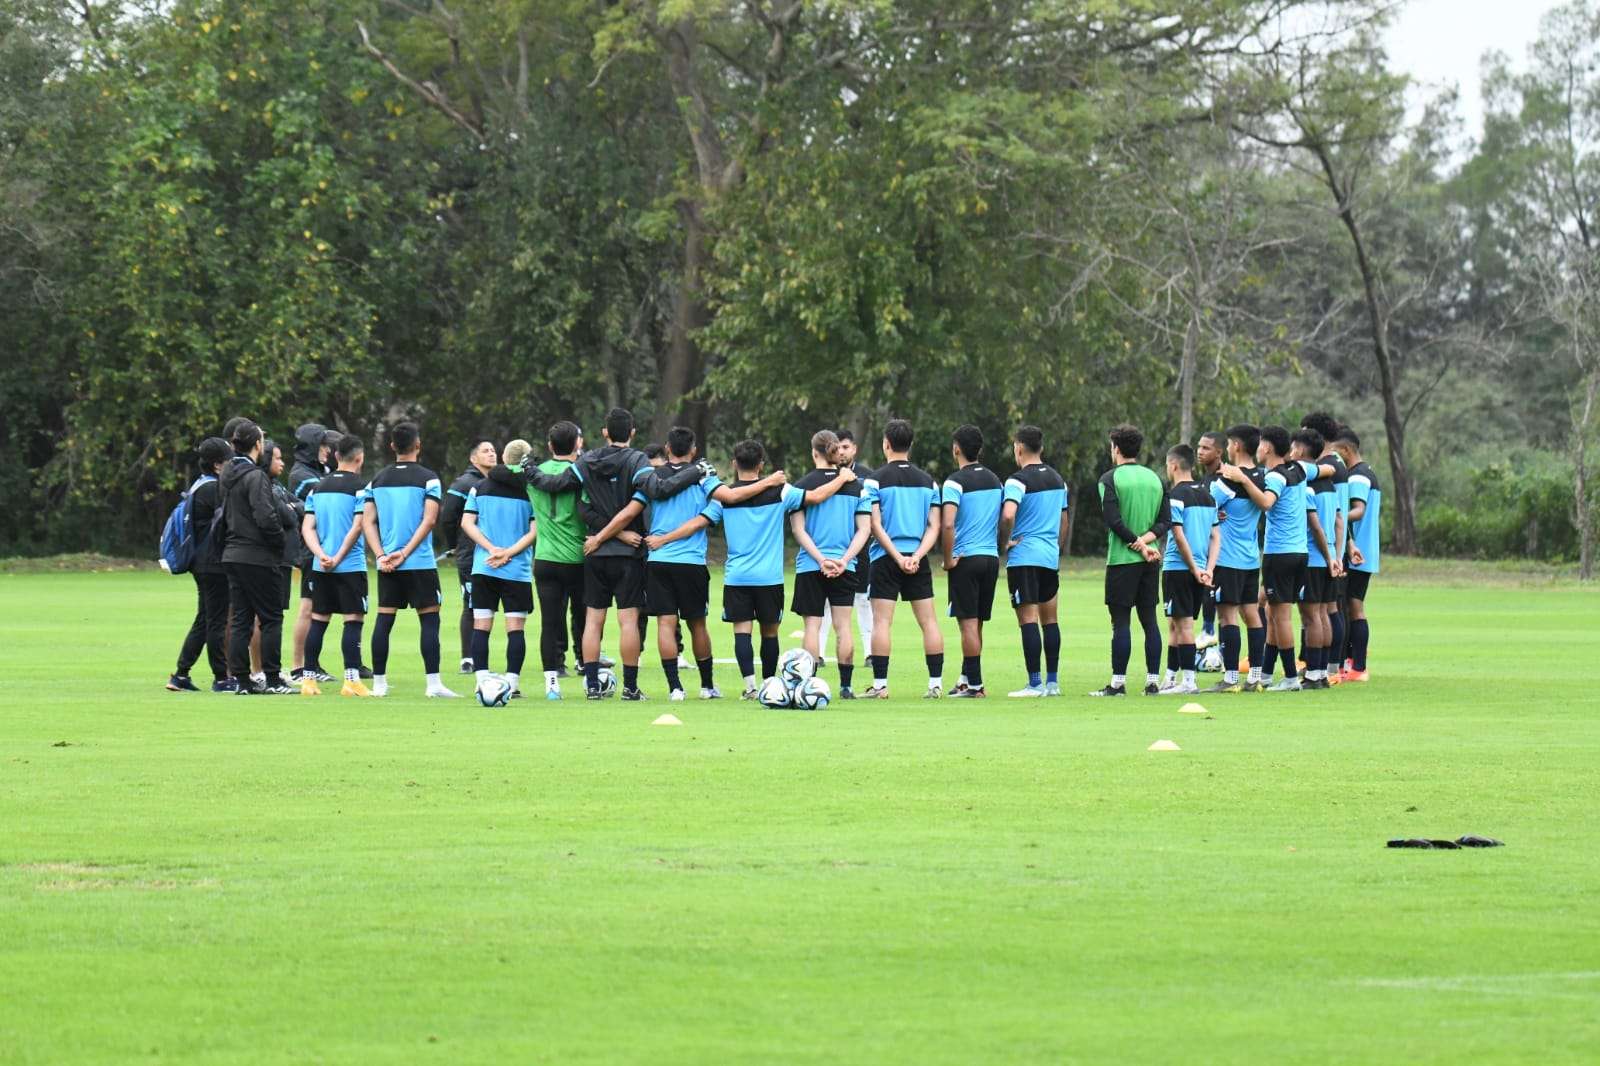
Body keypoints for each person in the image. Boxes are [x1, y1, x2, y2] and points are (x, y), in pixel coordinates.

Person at [497, 407, 706, 701]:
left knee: (593, 621)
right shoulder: (637, 461)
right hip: (628, 553)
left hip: (594, 552)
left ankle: (592, 686)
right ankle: (630, 688)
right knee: (628, 621)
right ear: (632, 432)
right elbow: (658, 490)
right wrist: (695, 471)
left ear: (605, 432)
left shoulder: (588, 460)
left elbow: (570, 496)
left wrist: (530, 469)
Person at [590, 427, 783, 700]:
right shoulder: (704, 479)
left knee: (665, 624)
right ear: (693, 451)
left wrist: (601, 537)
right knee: (698, 625)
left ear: (668, 448)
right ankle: (706, 687)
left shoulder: (652, 478)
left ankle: (675, 688)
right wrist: (770, 481)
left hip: (658, 560)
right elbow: (719, 506)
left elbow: (628, 513)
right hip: (691, 563)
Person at [645, 439, 848, 697]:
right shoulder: (781, 491)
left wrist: (664, 538)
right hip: (769, 577)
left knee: (742, 632)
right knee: (770, 632)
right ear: (761, 465)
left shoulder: (724, 498)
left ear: (733, 464)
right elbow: (817, 496)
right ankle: (769, 684)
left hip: (737, 576)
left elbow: (698, 522)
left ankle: (750, 687)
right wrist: (842, 478)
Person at [1220, 425, 1325, 692]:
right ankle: (1265, 673)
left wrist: (1243, 479)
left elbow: (1266, 503)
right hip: (1301, 553)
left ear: (1266, 448)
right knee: (1268, 609)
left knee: (1281, 617)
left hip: (1280, 553)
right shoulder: (1300, 469)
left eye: (1260, 445)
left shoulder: (1276, 477)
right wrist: (1334, 467)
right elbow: (1326, 470)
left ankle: (1290, 677)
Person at [363, 420, 456, 698]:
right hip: (419, 562)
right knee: (429, 620)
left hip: (387, 565)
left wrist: (381, 554)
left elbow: (367, 522)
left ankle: (379, 685)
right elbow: (429, 520)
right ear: (418, 444)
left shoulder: (376, 480)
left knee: (384, 620)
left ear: (392, 446)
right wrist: (404, 553)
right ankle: (433, 684)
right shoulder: (429, 478)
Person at [864, 419, 944, 699]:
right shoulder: (929, 482)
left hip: (886, 558)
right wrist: (917, 556)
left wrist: (897, 557)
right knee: (929, 622)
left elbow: (875, 524)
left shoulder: (874, 479)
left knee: (882, 622)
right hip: (917, 558)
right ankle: (935, 684)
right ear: (911, 445)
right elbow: (935, 525)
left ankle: (880, 686)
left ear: (886, 443)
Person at [792, 429, 874, 698]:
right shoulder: (856, 486)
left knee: (812, 626)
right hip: (844, 566)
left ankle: (809, 685)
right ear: (836, 452)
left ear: (814, 452)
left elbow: (798, 529)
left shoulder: (801, 485)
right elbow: (864, 529)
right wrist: (844, 560)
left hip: (810, 566)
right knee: (844, 626)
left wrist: (820, 559)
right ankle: (846, 687)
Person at [1090, 424, 1168, 697]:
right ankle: (1152, 682)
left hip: (1123, 560)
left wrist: (1136, 544)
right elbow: (1164, 522)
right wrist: (1146, 544)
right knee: (1150, 621)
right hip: (1151, 560)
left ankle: (1118, 683)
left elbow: (1114, 521)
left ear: (1117, 449)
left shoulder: (1109, 479)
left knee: (1121, 622)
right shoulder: (1156, 479)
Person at [219, 421, 296, 694]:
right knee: (271, 617)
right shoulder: (255, 476)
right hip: (257, 555)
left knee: (241, 618)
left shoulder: (227, 474)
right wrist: (278, 543)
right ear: (257, 445)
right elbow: (265, 516)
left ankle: (241, 680)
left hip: (232, 552)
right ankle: (273, 679)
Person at [462, 438, 539, 696]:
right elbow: (534, 531)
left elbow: (467, 523)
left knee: (481, 625)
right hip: (516, 569)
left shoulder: (479, 487)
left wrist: (491, 549)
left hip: (485, 566)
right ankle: (512, 683)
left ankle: (482, 680)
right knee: (515, 628)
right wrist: (509, 552)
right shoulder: (531, 490)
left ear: (505, 458)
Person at [998, 425, 1070, 698]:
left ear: (1018, 448)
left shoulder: (1017, 480)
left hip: (1025, 557)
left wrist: (1005, 542)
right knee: (1050, 620)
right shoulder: (1058, 479)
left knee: (1027, 620)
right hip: (1049, 557)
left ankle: (1034, 683)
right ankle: (1053, 683)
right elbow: (1064, 521)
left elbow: (1007, 515)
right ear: (1042, 448)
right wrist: (1057, 548)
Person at [300, 433, 372, 697]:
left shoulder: (316, 488)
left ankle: (308, 681)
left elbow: (307, 527)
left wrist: (321, 554)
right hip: (350, 565)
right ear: (360, 458)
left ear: (336, 457)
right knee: (353, 620)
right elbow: (357, 525)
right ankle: (351, 680)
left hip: (322, 566)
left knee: (319, 620)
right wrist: (340, 556)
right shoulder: (362, 488)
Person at [938, 425, 1003, 699]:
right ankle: (966, 679)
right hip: (990, 558)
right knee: (976, 624)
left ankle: (975, 685)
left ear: (956, 449)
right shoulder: (996, 481)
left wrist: (947, 559)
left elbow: (948, 523)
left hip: (966, 559)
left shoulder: (954, 482)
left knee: (967, 624)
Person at [523, 423, 586, 698]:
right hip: (578, 557)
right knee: (585, 619)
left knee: (550, 621)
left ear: (550, 446)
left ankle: (552, 684)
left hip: (545, 557)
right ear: (578, 444)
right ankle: (589, 676)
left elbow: (502, 471)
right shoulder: (582, 473)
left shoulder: (532, 473)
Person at [1206, 425, 1269, 693]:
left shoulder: (1228, 479)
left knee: (1227, 618)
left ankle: (1231, 678)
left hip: (1227, 558)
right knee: (1252, 614)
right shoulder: (1263, 477)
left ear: (1237, 446)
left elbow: (1204, 507)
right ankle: (1255, 676)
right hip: (1251, 559)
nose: (1229, 449)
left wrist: (1212, 515)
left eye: (1230, 444)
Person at [168, 437, 234, 693]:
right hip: (214, 563)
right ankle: (221, 677)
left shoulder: (198, 486)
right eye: (229, 462)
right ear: (218, 465)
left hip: (200, 562)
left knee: (205, 619)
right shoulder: (214, 489)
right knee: (216, 621)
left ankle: (181, 674)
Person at [1157, 444, 1219, 696]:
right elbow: (1216, 536)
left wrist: (1194, 568)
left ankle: (1189, 681)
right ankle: (1171, 677)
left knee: (1183, 626)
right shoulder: (1207, 495)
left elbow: (1179, 536)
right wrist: (1209, 569)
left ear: (1173, 465)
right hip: (1200, 569)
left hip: (1179, 568)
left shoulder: (1175, 496)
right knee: (1175, 623)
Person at [440, 438, 497, 674]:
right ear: (473, 458)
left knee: (486, 606)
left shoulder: (494, 483)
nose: (492, 454)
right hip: (469, 555)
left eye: (494, 450)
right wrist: (455, 546)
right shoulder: (464, 483)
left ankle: (478, 656)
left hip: (491, 553)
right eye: (486, 451)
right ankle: (468, 658)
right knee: (472, 605)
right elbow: (448, 517)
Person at [1300, 412, 1348, 685]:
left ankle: (1317, 672)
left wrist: (1331, 555)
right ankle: (1328, 670)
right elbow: (1339, 520)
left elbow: (1317, 525)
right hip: (1331, 555)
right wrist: (1337, 555)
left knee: (1313, 616)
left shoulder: (1315, 479)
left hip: (1316, 556)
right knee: (1327, 611)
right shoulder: (1331, 478)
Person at [287, 423, 334, 682]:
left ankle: (311, 664)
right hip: (309, 549)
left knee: (319, 608)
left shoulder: (317, 471)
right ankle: (298, 667)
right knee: (307, 608)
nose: (327, 450)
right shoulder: (301, 475)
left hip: (322, 548)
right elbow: (326, 505)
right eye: (323, 445)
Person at [824, 428, 877, 657]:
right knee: (825, 601)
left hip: (861, 546)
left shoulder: (868, 477)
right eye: (838, 448)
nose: (842, 452)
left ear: (854, 448)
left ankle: (869, 653)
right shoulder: (824, 475)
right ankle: (817, 653)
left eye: (846, 447)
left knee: (863, 599)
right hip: (829, 545)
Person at [1334, 428, 1379, 681]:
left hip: (1356, 551)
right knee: (1351, 607)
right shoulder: (1366, 472)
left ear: (1347, 450)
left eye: (1336, 452)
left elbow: (1359, 510)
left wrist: (1334, 515)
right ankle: (1353, 662)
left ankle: (1358, 667)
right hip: (1362, 549)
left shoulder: (1358, 477)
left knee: (1354, 607)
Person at [1194, 431, 1227, 651]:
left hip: (1225, 552)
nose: (1200, 451)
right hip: (1206, 549)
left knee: (1227, 607)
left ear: (1219, 452)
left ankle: (1219, 648)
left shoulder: (1227, 477)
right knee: (1209, 595)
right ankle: (1210, 637)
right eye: (1199, 447)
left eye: (1206, 448)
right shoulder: (1205, 479)